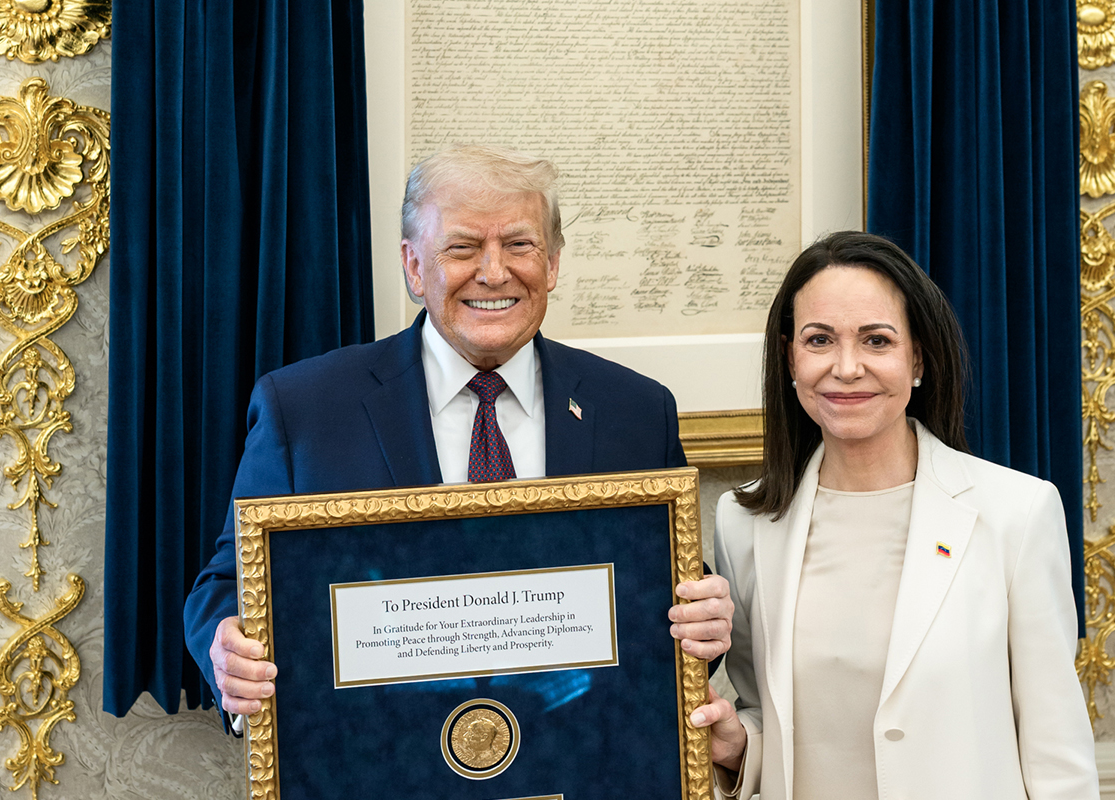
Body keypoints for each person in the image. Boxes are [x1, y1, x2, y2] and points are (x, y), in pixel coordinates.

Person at [688, 232, 1115, 800]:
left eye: (876, 341)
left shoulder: (1015, 513)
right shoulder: (745, 525)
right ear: (789, 360)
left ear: (918, 361)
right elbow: (765, 714)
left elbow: (1063, 777)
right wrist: (735, 744)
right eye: (819, 340)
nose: (846, 367)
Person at [184, 145, 733, 730]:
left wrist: (705, 623)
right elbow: (228, 584)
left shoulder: (635, 410)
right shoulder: (305, 410)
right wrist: (227, 649)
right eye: (463, 247)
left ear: (551, 263)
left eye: (519, 245)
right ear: (414, 267)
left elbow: (670, 594)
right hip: (376, 766)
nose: (494, 272)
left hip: (581, 763)